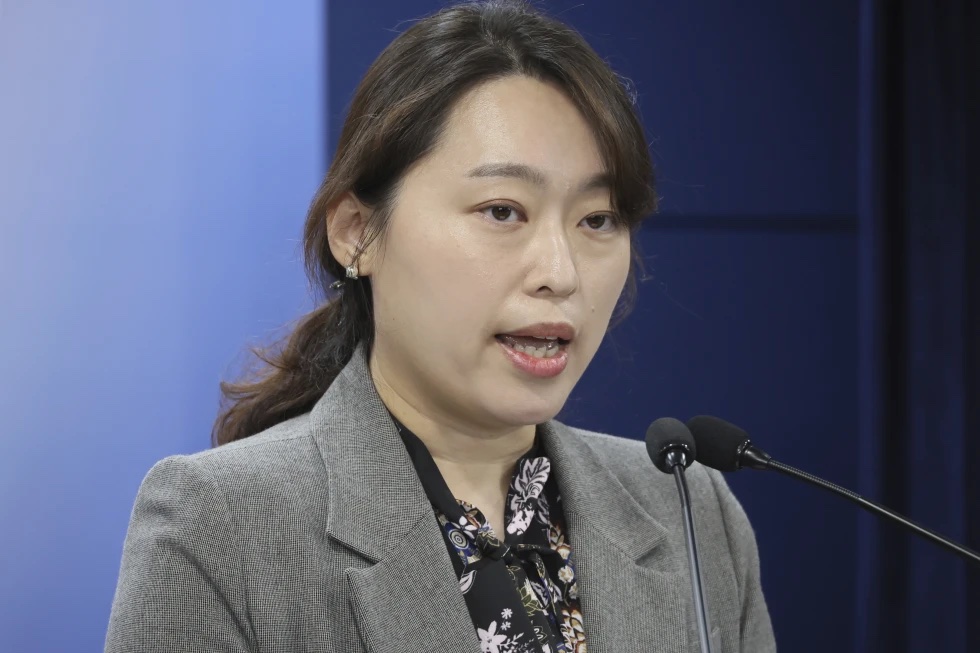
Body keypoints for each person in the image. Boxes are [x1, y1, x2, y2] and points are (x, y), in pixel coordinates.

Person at [105, 1, 775, 651]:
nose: (561, 270)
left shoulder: (688, 508)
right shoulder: (221, 523)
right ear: (357, 232)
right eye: (502, 211)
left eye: (596, 219)